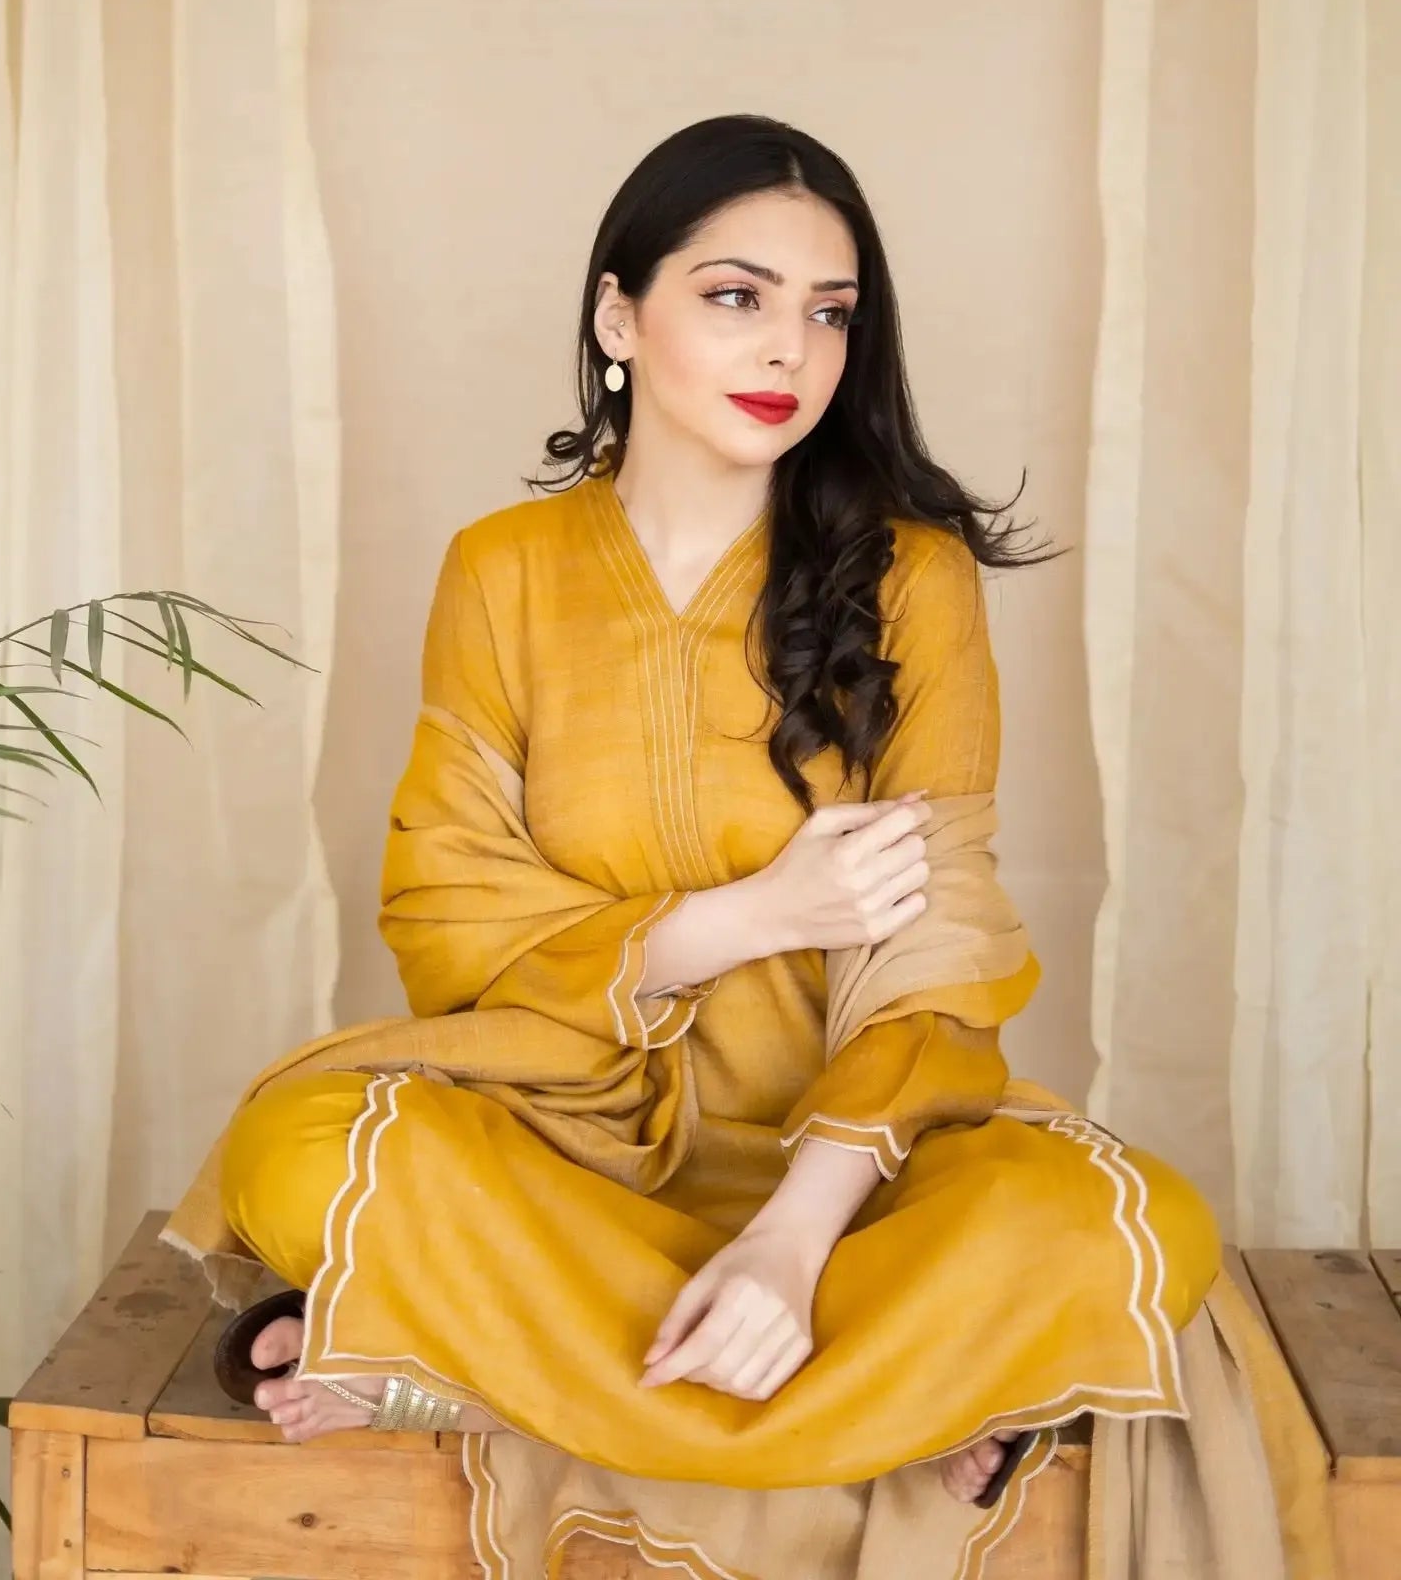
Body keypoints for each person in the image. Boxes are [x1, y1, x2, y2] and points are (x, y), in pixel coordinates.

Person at [164, 114, 1273, 1580]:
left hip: (857, 1177)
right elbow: (444, 903)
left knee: (1134, 1230)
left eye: (830, 313)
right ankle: (888, 1403)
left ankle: (485, 1363)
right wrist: (757, 914)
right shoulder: (502, 570)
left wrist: (795, 1241)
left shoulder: (915, 579)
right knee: (293, 1151)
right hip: (570, 1147)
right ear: (618, 316)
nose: (789, 351)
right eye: (737, 296)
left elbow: (938, 947)